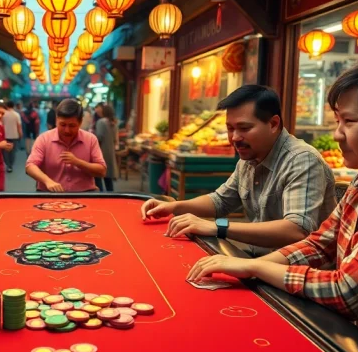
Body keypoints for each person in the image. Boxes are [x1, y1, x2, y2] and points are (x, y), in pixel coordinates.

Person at [187, 57, 358, 352]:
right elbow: (320, 244)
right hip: (343, 329)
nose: (338, 133)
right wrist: (255, 267)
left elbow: (349, 292)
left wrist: (253, 265)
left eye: (349, 121)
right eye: (337, 121)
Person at [141, 85, 336, 255]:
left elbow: (296, 230)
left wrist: (217, 227)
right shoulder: (249, 157)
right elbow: (220, 201)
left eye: (244, 128)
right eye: (230, 128)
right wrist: (173, 206)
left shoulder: (301, 160)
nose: (234, 137)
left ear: (273, 124)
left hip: (297, 274)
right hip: (259, 259)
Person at [26, 99, 106, 192]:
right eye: (62, 125)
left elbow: (102, 171)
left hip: (84, 194)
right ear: (56, 120)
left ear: (80, 123)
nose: (67, 130)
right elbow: (30, 166)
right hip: (49, 194)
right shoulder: (44, 139)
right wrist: (48, 181)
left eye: (72, 126)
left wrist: (77, 162)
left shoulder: (90, 139)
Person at [95, 104, 117, 192]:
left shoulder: (101, 122)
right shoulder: (113, 123)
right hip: (110, 151)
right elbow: (115, 139)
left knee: (98, 176)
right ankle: (111, 197)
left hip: (101, 151)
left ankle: (100, 196)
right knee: (108, 179)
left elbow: (99, 137)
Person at [1, 100, 22, 173]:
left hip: (5, 136)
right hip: (14, 135)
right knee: (12, 152)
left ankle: (7, 164)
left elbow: (1, 125)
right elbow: (19, 126)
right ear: (13, 106)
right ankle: (10, 165)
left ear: (6, 106)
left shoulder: (3, 114)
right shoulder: (16, 115)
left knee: (5, 152)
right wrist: (20, 134)